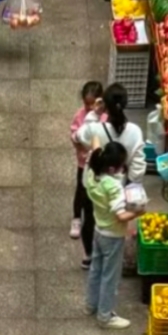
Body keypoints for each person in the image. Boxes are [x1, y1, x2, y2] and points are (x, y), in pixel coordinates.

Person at [78, 82, 146, 266]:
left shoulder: (95, 128)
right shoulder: (134, 132)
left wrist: (94, 113)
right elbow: (138, 163)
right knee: (113, 220)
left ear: (104, 104)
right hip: (118, 185)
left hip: (93, 182)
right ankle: (108, 256)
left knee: (90, 217)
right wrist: (132, 185)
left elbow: (80, 136)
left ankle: (89, 256)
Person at [83, 141, 145, 329]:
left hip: (98, 230)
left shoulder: (91, 175)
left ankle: (90, 305)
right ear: (112, 168)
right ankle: (105, 316)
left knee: (96, 269)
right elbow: (120, 215)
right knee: (110, 276)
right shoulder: (113, 187)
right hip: (113, 235)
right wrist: (138, 211)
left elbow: (93, 149)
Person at [70, 79, 103, 240]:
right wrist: (78, 144)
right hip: (83, 162)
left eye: (92, 104)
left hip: (98, 162)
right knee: (81, 190)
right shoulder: (79, 115)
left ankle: (93, 218)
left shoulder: (105, 116)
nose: (89, 108)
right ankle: (77, 218)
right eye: (86, 104)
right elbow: (74, 134)